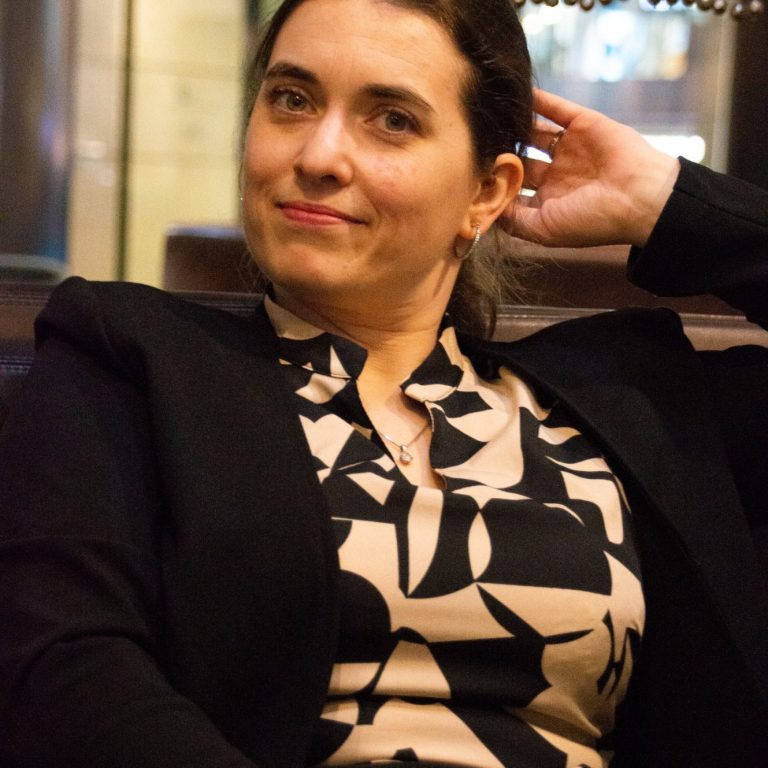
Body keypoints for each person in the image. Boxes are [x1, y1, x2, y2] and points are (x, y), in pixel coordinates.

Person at [0, 0, 766, 766]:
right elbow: (67, 670)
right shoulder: (133, 360)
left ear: (487, 192)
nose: (320, 156)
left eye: (392, 120)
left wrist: (664, 200)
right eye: (291, 99)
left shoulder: (634, 406)